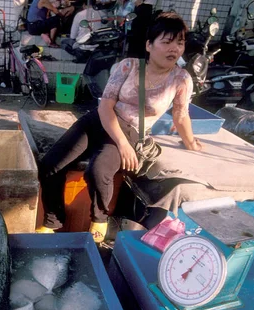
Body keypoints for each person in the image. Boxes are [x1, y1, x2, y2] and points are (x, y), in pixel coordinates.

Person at [36, 11, 203, 243]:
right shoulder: (128, 67)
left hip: (132, 131)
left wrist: (192, 143)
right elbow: (105, 106)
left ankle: (99, 219)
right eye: (166, 42)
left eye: (180, 43)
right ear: (149, 45)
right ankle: (53, 221)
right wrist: (123, 146)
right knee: (50, 165)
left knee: (98, 171)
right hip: (99, 120)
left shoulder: (181, 79)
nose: (174, 49)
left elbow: (181, 116)